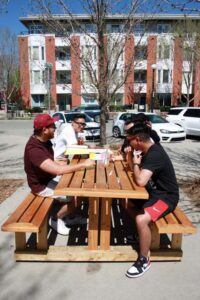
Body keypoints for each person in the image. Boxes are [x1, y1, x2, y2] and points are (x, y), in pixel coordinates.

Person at [24, 113, 95, 236]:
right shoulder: (34, 149)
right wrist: (83, 165)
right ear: (44, 130)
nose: (55, 128)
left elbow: (51, 162)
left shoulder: (44, 141)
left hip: (48, 179)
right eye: (52, 126)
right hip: (41, 186)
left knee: (78, 187)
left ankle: (69, 216)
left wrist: (62, 164)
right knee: (78, 196)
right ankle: (55, 219)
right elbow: (57, 171)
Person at [125, 123, 179, 278]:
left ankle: (144, 260)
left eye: (130, 141)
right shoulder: (147, 150)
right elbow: (133, 170)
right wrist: (132, 159)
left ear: (137, 140)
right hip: (153, 194)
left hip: (166, 197)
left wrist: (136, 164)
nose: (129, 144)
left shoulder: (155, 154)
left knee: (141, 219)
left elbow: (140, 181)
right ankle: (142, 235)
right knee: (126, 201)